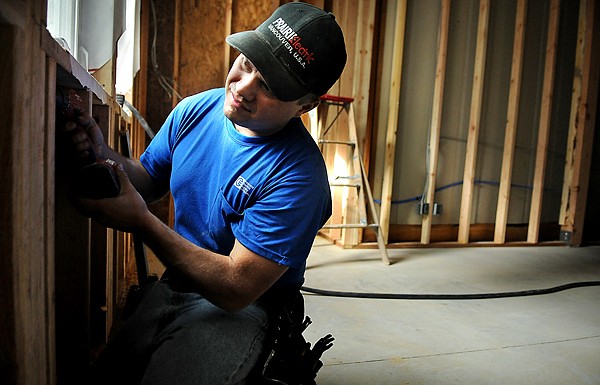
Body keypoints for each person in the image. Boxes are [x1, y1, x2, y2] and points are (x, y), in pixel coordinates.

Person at [67, 2, 346, 384]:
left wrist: (142, 223)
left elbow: (236, 288)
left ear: (306, 105)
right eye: (247, 64)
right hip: (178, 281)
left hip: (249, 307)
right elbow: (146, 179)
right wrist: (105, 154)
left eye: (269, 86)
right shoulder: (195, 110)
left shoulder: (299, 177)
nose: (242, 88)